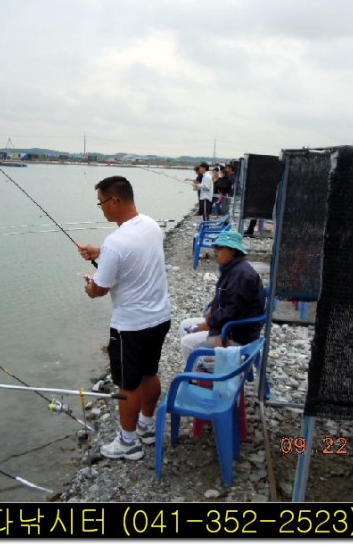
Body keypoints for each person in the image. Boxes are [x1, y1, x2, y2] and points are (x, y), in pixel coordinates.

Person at [78, 176, 172, 461]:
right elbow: (134, 257)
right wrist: (101, 253)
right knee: (149, 374)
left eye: (101, 203)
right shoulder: (151, 225)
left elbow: (100, 289)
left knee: (128, 385)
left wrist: (90, 286)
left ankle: (128, 442)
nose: (101, 209)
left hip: (130, 327)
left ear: (115, 201)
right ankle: (146, 426)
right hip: (160, 318)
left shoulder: (115, 242)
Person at [179, 230, 265, 363]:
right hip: (227, 325)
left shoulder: (241, 275)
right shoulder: (231, 268)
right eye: (216, 248)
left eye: (220, 248)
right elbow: (224, 298)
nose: (216, 251)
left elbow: (232, 311)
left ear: (233, 251)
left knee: (187, 344)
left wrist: (210, 325)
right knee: (184, 325)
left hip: (236, 334)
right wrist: (211, 309)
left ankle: (199, 375)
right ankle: (202, 368)